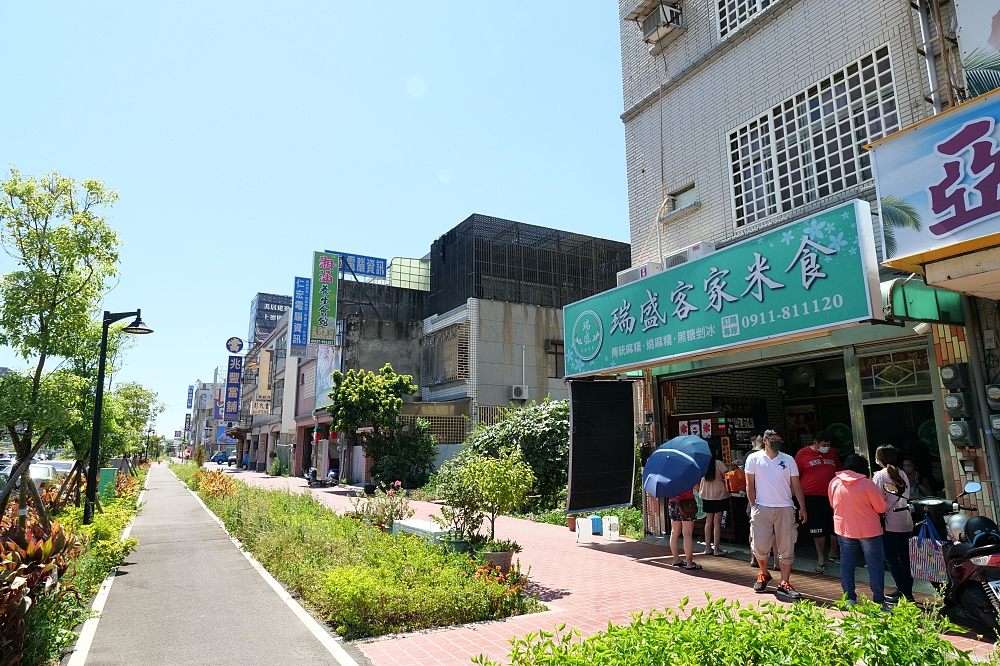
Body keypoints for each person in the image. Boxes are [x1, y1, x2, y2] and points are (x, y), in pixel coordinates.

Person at [745, 429, 808, 600]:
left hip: (785, 507)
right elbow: (749, 484)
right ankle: (764, 574)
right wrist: (753, 505)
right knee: (759, 546)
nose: (777, 442)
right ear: (765, 440)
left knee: (787, 547)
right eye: (774, 439)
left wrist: (802, 507)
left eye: (780, 439)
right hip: (762, 507)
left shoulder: (788, 460)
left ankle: (784, 582)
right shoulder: (753, 458)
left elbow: (796, 485)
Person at [828, 454, 888, 608]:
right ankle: (879, 601)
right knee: (875, 565)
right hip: (869, 530)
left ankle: (849, 598)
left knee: (847, 564)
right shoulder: (867, 484)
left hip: (844, 529)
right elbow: (881, 508)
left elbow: (832, 504)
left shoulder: (834, 482)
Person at [794, 430, 842, 573]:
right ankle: (821, 558)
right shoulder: (803, 454)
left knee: (835, 524)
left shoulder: (832, 452)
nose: (826, 447)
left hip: (832, 495)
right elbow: (794, 476)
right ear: (815, 443)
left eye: (828, 444)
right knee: (818, 527)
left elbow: (839, 470)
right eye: (823, 444)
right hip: (812, 496)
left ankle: (833, 553)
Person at [873, 445, 914, 603]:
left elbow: (878, 502)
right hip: (905, 520)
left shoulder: (880, 476)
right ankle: (906, 591)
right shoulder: (902, 473)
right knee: (904, 558)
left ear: (880, 459)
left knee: (890, 557)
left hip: (890, 522)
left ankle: (904, 592)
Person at [699, 443, 730, 557]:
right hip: (719, 495)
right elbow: (727, 476)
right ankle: (716, 549)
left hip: (706, 495)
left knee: (708, 522)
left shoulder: (703, 464)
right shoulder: (719, 463)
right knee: (717, 523)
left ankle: (707, 548)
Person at [668, 487, 701, 571]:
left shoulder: (670, 475)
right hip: (687, 503)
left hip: (672, 503)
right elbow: (698, 487)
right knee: (687, 534)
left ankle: (676, 559)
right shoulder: (688, 474)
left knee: (674, 533)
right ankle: (689, 563)